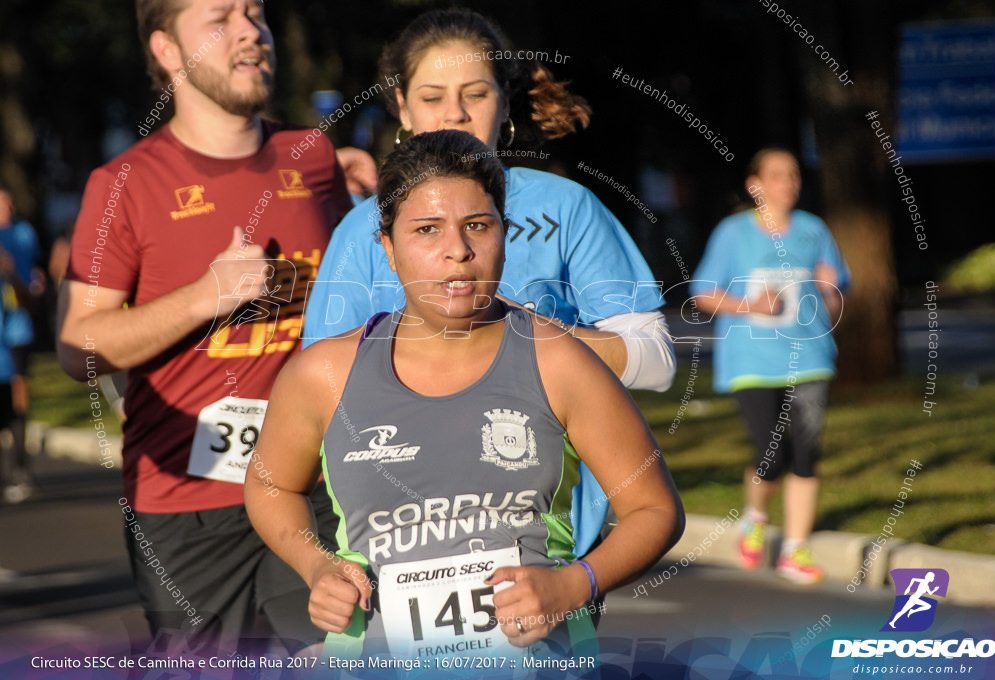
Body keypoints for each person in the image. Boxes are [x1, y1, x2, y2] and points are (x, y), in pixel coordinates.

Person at [246, 129, 684, 664]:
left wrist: (574, 586)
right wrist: (317, 566)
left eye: (478, 225)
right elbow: (271, 486)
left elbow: (654, 508)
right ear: (387, 247)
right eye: (427, 230)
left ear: (505, 233)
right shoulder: (323, 374)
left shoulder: (559, 360)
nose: (457, 250)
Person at [304, 8, 676, 561]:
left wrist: (524, 336)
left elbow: (659, 362)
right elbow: (319, 395)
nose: (454, 112)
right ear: (402, 107)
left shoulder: (566, 206)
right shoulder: (364, 228)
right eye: (432, 96)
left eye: (475, 93)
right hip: (397, 545)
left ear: (504, 100)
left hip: (549, 542)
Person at [57, 0, 365, 654]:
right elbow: (76, 344)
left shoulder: (310, 158)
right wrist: (205, 296)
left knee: (334, 658)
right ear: (168, 51)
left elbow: (348, 301)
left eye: (256, 14)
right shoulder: (124, 184)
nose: (251, 33)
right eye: (220, 20)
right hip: (186, 507)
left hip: (308, 486)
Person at [691, 148, 850, 584]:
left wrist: (831, 290)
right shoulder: (733, 234)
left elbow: (836, 298)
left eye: (794, 174)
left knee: (806, 452)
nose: (789, 183)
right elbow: (702, 294)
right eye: (778, 175)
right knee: (770, 453)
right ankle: (757, 516)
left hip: (812, 358)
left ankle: (794, 550)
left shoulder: (815, 231)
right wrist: (749, 304)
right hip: (753, 361)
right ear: (754, 185)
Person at [0, 188, 45, 505]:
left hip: (14, 330)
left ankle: (20, 470)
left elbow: (29, 287)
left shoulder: (23, 232)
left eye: (10, 201)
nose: (9, 207)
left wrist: (11, 271)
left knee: (17, 400)